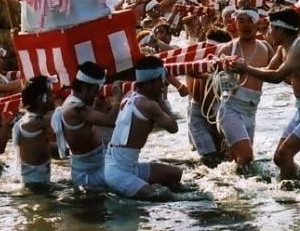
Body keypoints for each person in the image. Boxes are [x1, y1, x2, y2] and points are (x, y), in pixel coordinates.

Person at [230, 7, 300, 180]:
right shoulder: (282, 48)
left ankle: (288, 195)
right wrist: (236, 69)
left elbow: (277, 77)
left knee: (285, 154)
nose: (268, 32)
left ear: (280, 30)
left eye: (271, 28)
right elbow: (266, 71)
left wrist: (245, 68)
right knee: (279, 158)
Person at [105, 56, 182, 199]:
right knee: (162, 197)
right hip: (119, 174)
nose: (164, 84)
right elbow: (174, 127)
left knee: (176, 174)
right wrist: (160, 100)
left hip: (121, 166)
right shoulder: (149, 105)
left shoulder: (128, 95)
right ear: (150, 83)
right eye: (161, 80)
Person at [51, 62, 123, 190]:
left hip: (97, 168)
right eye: (96, 90)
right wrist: (117, 98)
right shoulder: (76, 108)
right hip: (89, 177)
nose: (97, 95)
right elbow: (111, 121)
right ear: (84, 87)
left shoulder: (75, 101)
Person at [216, 8, 273, 169]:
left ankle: (233, 189)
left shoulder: (266, 48)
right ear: (235, 24)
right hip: (230, 109)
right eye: (241, 21)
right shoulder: (227, 49)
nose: (246, 25)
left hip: (251, 111)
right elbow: (211, 78)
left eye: (250, 21)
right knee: (246, 156)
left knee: (241, 163)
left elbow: (280, 74)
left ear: (258, 24)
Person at [186, 28, 232, 167]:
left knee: (227, 158)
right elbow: (198, 99)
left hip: (219, 112)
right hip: (198, 112)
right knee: (209, 159)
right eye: (206, 49)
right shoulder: (198, 63)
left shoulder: (228, 65)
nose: (208, 54)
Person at [13, 76, 55, 187]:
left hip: (40, 185)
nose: (54, 97)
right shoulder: (31, 122)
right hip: (34, 189)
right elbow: (59, 115)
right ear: (43, 98)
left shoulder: (36, 119)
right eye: (51, 94)